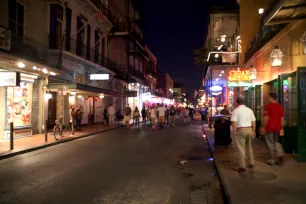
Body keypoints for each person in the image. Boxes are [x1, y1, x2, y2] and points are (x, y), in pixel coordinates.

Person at [231, 97, 256, 172]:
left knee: (241, 148)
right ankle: (251, 162)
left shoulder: (236, 110)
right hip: (249, 129)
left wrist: (234, 130)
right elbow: (253, 121)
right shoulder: (249, 110)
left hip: (241, 130)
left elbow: (233, 122)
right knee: (249, 146)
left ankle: (242, 166)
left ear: (237, 103)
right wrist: (254, 130)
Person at [261, 93, 285, 166]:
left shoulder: (268, 106)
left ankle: (271, 160)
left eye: (269, 98)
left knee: (270, 144)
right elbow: (282, 119)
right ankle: (280, 153)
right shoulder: (280, 107)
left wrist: (263, 127)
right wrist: (282, 128)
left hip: (269, 128)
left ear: (271, 98)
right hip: (277, 128)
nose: (268, 99)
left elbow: (266, 118)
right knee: (276, 142)